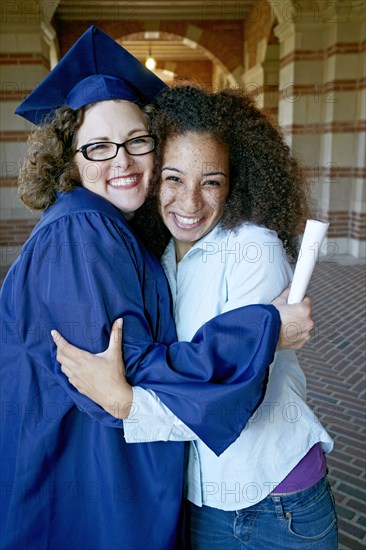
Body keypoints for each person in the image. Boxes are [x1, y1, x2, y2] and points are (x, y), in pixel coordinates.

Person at [0, 27, 313, 550]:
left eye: (136, 141)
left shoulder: (115, 228)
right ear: (70, 159)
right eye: (97, 147)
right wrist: (265, 329)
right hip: (85, 477)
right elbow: (122, 376)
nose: (120, 160)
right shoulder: (82, 230)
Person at [55, 85, 337, 549]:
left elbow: (229, 393)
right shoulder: (157, 255)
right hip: (200, 498)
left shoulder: (253, 250)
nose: (190, 204)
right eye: (173, 178)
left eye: (211, 181)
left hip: (274, 500)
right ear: (150, 178)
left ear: (235, 181)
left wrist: (125, 404)